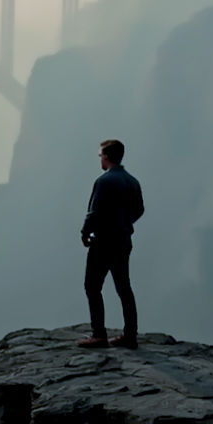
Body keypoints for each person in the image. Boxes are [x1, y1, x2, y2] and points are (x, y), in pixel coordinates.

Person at [78, 139, 143, 349]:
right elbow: (139, 209)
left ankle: (99, 335)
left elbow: (94, 212)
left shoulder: (104, 182)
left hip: (104, 242)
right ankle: (130, 335)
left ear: (106, 156)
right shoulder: (132, 181)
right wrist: (125, 223)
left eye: (100, 155)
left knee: (92, 286)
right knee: (124, 287)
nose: (100, 159)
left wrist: (85, 232)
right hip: (123, 241)